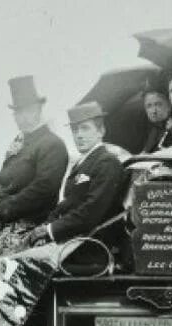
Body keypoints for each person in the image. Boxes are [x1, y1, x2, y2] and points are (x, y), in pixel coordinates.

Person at [23, 102, 125, 246]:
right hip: (75, 240)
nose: (79, 135)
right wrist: (46, 226)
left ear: (101, 131)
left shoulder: (107, 163)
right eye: (75, 130)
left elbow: (90, 213)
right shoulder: (83, 163)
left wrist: (51, 230)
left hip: (94, 245)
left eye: (85, 128)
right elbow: (67, 204)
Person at [0, 76, 69, 229]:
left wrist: (5, 207)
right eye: (18, 113)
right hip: (6, 222)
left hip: (34, 224)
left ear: (39, 110)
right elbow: (6, 187)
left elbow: (44, 189)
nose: (22, 118)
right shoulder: (18, 144)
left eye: (28, 111)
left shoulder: (52, 144)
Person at [137, 88, 172, 154]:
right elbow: (145, 153)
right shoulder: (154, 129)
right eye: (149, 106)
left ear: (169, 106)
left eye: (158, 104)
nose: (153, 111)